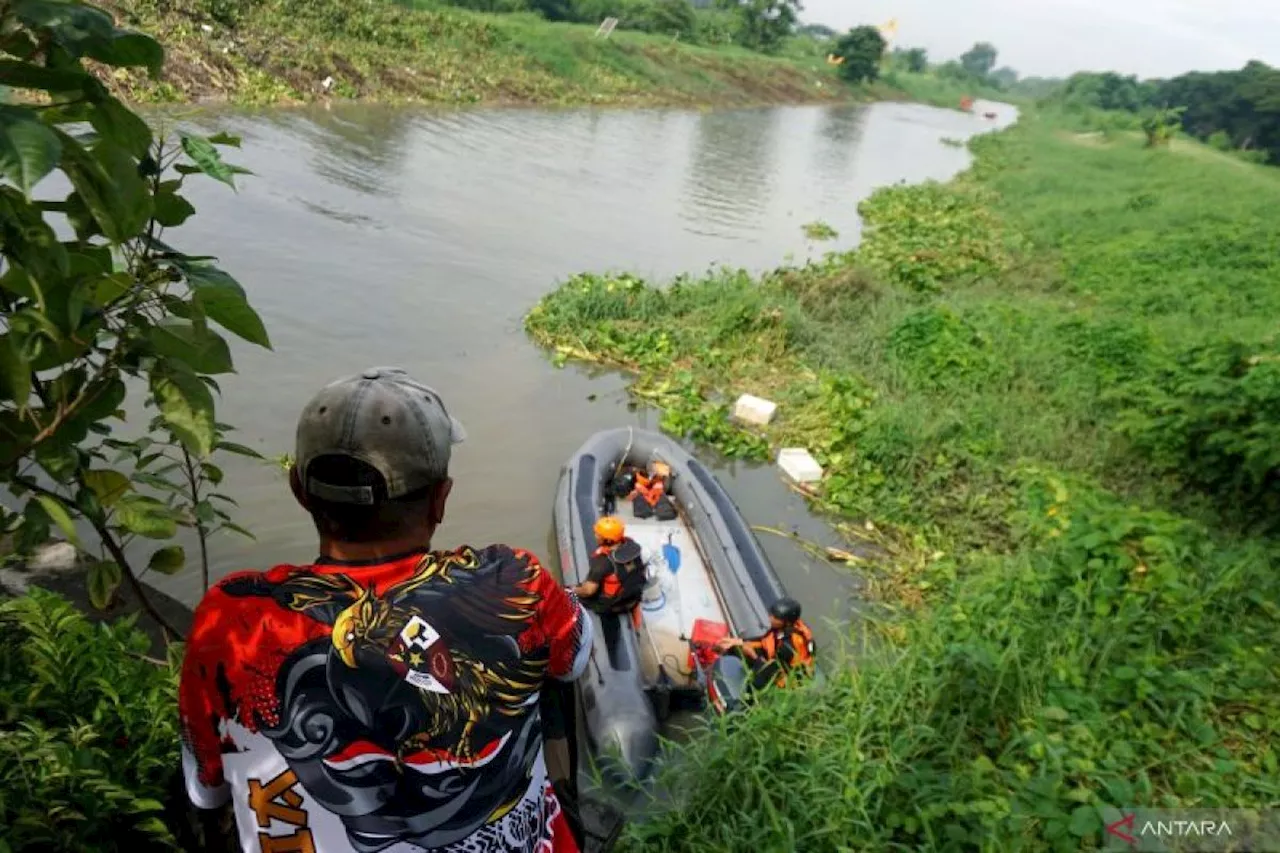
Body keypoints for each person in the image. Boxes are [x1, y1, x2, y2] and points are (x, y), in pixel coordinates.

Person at [176, 367, 594, 853]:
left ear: (298, 489)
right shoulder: (514, 579)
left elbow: (205, 791)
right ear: (441, 498)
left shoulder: (231, 621)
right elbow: (575, 655)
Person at [716, 596, 815, 692]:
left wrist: (754, 656)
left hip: (783, 676)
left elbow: (771, 671)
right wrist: (739, 642)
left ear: (787, 622)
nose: (770, 618)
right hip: (774, 658)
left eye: (776, 617)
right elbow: (765, 641)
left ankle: (747, 700)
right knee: (736, 648)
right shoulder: (782, 628)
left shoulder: (788, 647)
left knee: (758, 682)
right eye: (772, 614)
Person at [572, 515, 647, 618]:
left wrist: (573, 590)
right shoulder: (631, 547)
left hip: (613, 606)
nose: (595, 536)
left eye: (598, 535)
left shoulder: (603, 562)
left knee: (574, 595)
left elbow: (588, 591)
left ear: (607, 540)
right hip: (633, 599)